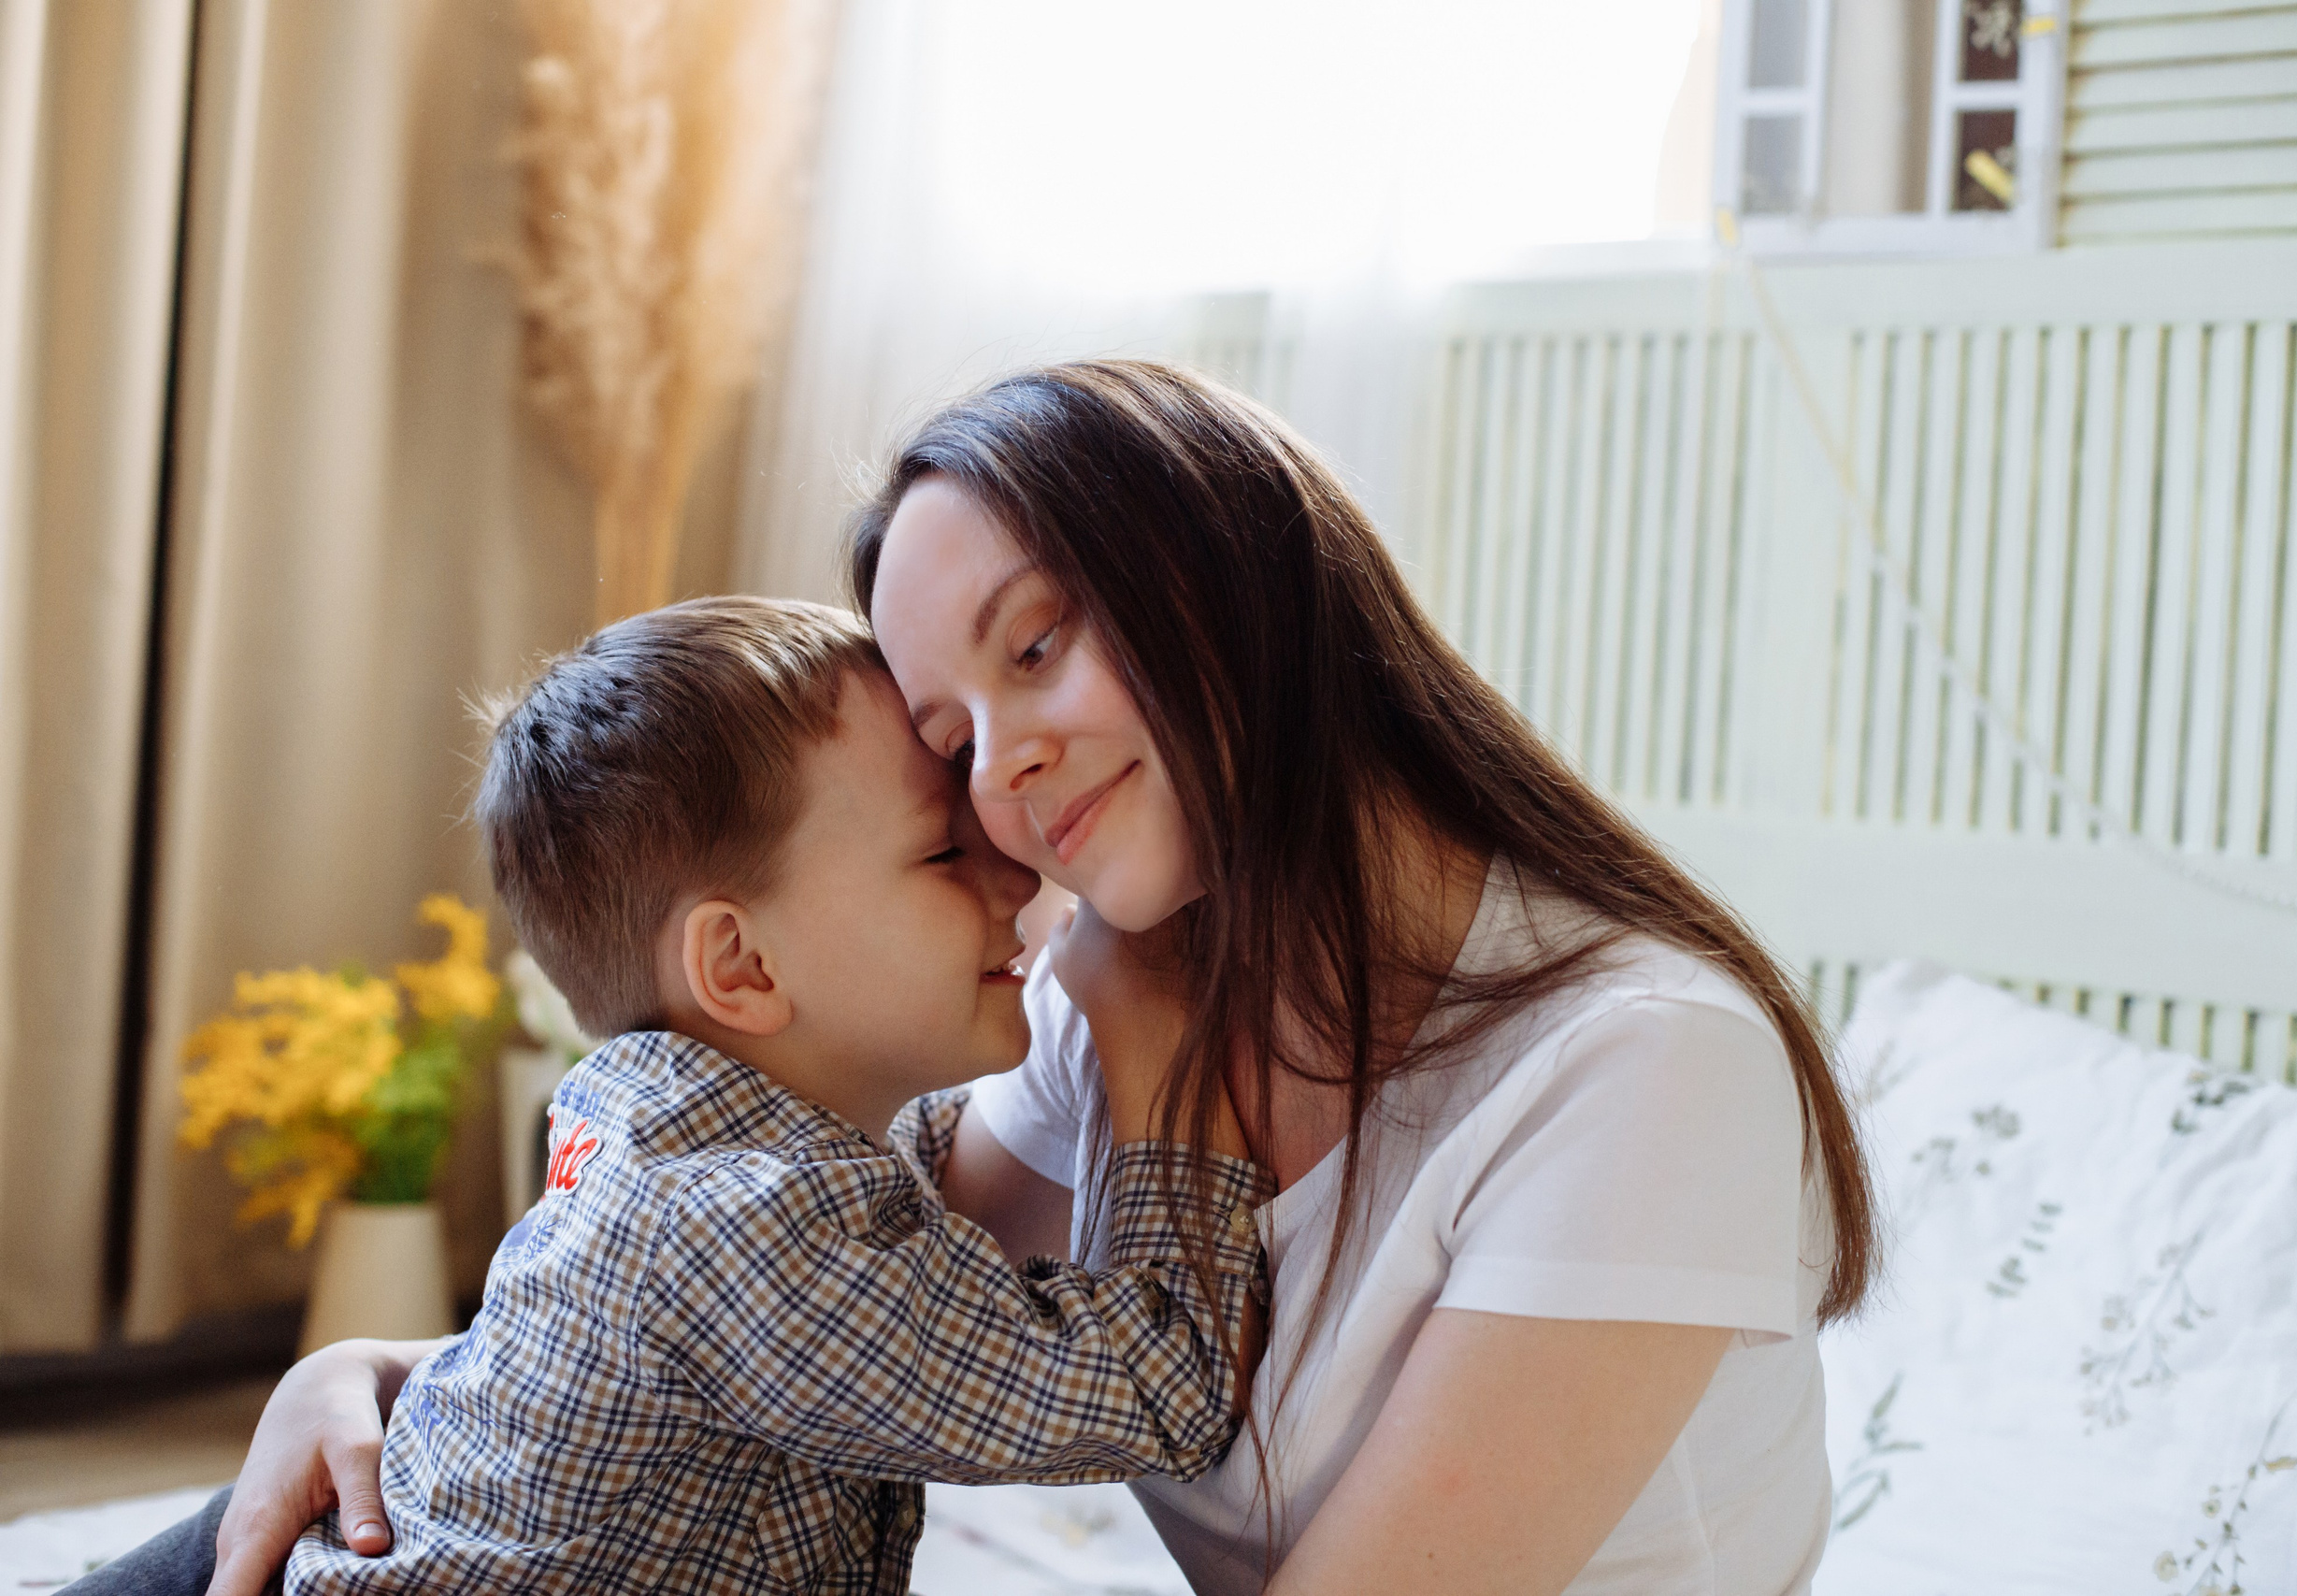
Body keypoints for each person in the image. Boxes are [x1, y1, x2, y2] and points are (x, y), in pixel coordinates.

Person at [205, 361, 1878, 1596]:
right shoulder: (1118, 997)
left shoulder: (1647, 1068)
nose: (1007, 774)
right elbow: (775, 1308)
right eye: (952, 742)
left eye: (1040, 643)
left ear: (1239, 573)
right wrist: (365, 1375)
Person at [77, 597, 1268, 1596]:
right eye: (943, 852)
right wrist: (1161, 1046)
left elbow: (911, 1172)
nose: (1015, 866)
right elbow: (1162, 1397)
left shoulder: (688, 1110)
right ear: (741, 968)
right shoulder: (746, 1230)